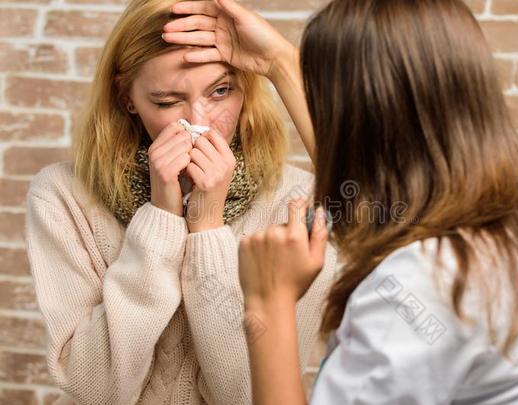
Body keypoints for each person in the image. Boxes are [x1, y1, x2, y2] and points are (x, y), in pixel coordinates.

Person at [169, 0, 518, 403]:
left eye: (328, 108)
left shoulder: (422, 285)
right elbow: (371, 197)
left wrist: (269, 304)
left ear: (364, 124)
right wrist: (278, 61)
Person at [24, 0, 338, 403]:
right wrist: (161, 221)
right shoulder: (62, 196)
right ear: (126, 97)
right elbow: (94, 391)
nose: (201, 122)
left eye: (221, 91)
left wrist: (207, 227)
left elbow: (248, 396)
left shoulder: (298, 204)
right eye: (168, 101)